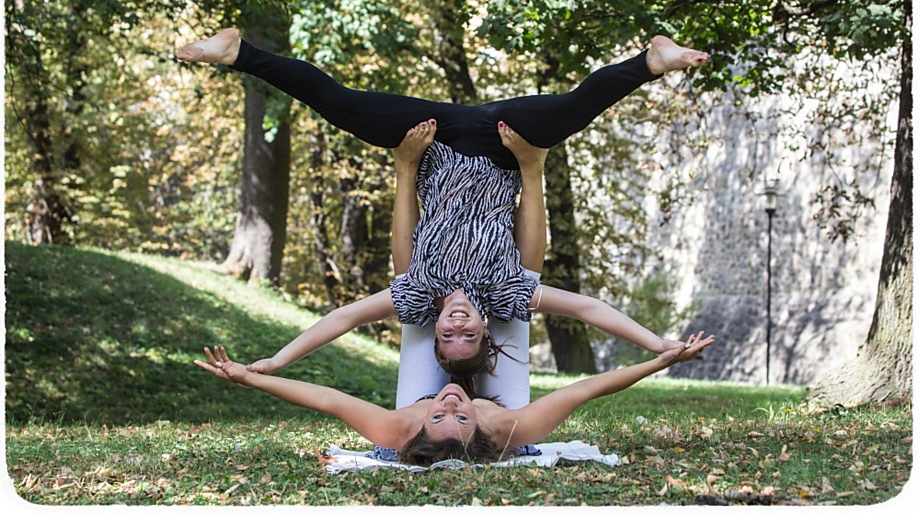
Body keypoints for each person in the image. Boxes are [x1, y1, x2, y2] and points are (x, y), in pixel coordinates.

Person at [176, 29, 709, 389]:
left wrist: (272, 363)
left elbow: (338, 320)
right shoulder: (509, 292)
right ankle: (651, 60)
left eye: (447, 337)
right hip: (507, 144)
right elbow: (591, 310)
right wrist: (658, 343)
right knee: (570, 111)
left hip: (434, 142)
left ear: (435, 332)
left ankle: (238, 52)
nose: (456, 326)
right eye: (469, 335)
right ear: (483, 328)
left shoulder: (416, 292)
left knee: (342, 105)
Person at [194, 331, 716, 465]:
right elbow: (586, 389)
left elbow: (327, 399)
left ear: (421, 425)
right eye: (459, 413)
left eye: (439, 412)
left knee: (436, 330)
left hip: (411, 410)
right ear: (478, 425)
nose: (448, 400)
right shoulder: (507, 427)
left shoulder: (395, 428)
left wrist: (251, 378)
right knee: (491, 336)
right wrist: (660, 361)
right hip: (501, 408)